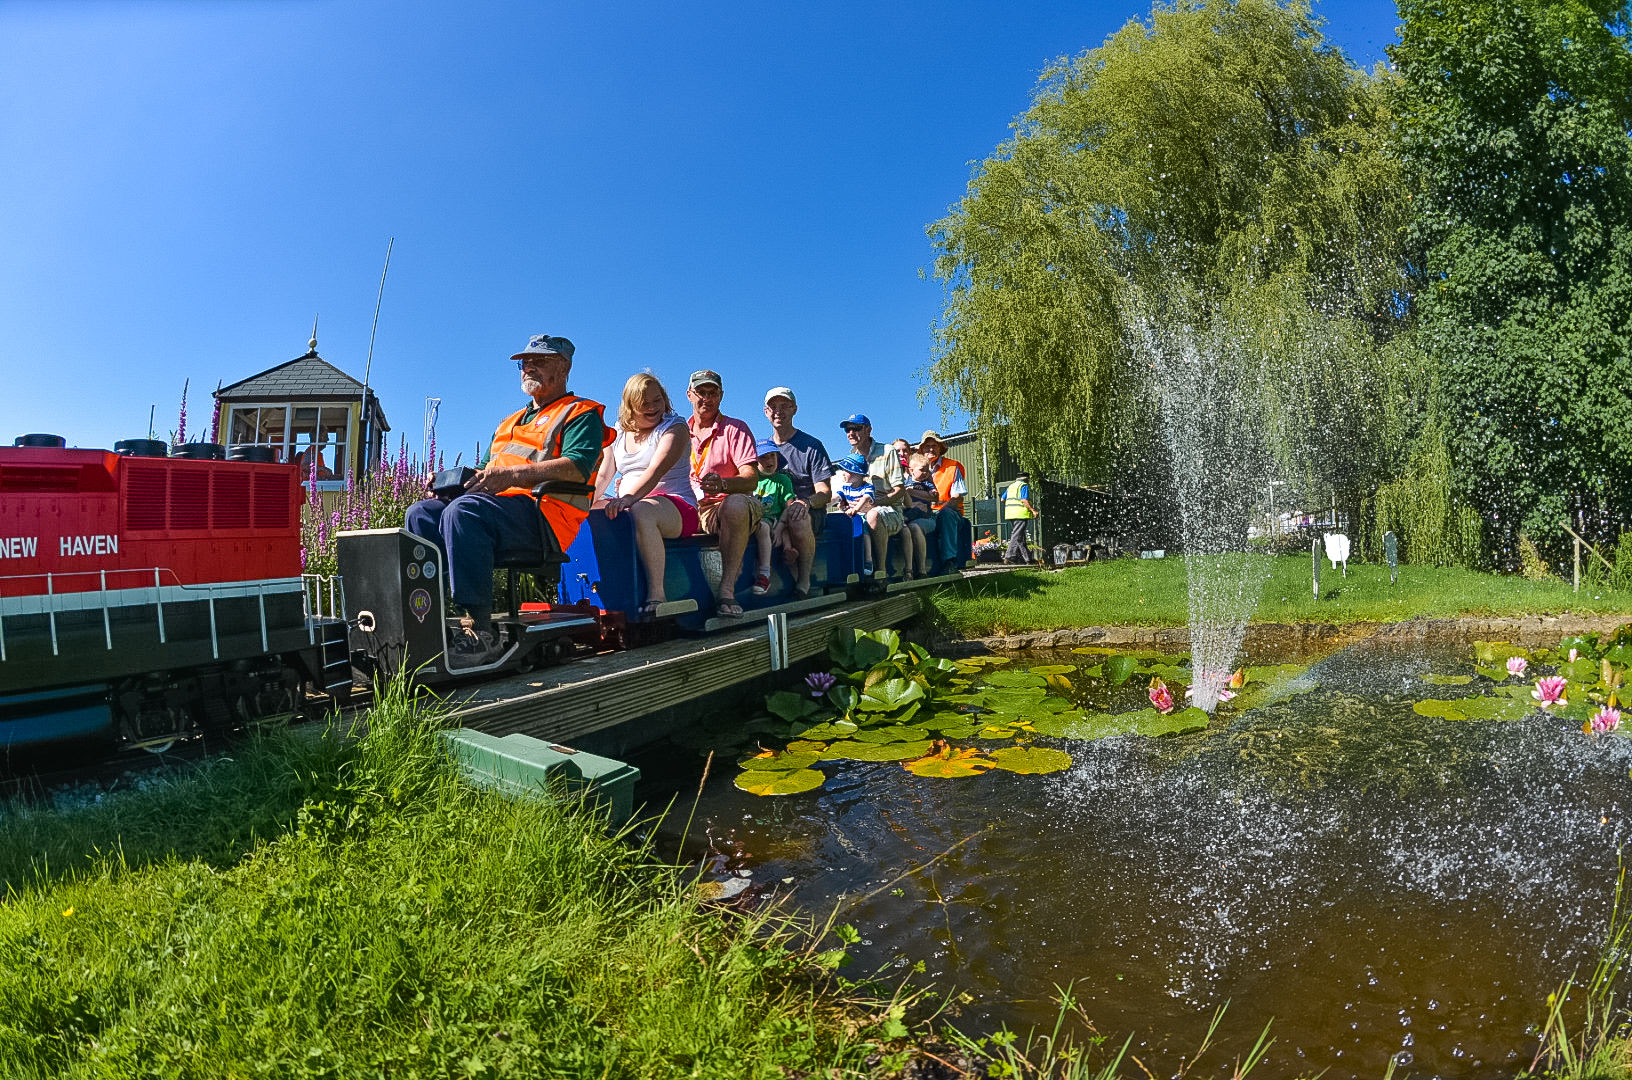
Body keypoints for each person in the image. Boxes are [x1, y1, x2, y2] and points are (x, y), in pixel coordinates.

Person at [405, 334, 613, 667]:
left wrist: (512, 476)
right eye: (524, 363)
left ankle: (479, 632)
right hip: (498, 510)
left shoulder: (580, 413)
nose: (528, 367)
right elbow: (486, 470)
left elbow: (578, 467)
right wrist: (448, 483)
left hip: (544, 517)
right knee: (421, 514)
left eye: (539, 361)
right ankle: (428, 621)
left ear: (564, 367)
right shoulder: (509, 422)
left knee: (463, 513)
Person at [591, 372, 697, 615]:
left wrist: (628, 499)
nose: (652, 407)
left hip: (677, 507)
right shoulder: (617, 434)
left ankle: (657, 594)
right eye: (644, 403)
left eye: (657, 400)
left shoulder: (675, 427)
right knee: (590, 512)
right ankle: (604, 591)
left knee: (642, 511)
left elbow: (655, 470)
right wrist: (584, 503)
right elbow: (604, 476)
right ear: (630, 406)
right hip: (630, 503)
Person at [686, 369, 762, 617]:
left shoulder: (735, 428)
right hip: (691, 507)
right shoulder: (678, 432)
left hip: (726, 505)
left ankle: (726, 591)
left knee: (735, 504)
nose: (707, 398)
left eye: (713, 392)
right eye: (701, 392)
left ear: (721, 396)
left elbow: (751, 478)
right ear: (689, 395)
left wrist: (723, 485)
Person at [763, 387, 833, 598]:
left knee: (796, 515)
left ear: (794, 409)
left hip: (808, 511)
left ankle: (804, 582)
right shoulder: (763, 450)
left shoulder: (812, 446)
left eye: (784, 406)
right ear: (766, 412)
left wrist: (805, 503)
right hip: (773, 510)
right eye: (773, 407)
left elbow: (825, 493)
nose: (778, 411)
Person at [831, 413, 905, 574]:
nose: (851, 433)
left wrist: (874, 504)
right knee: (834, 519)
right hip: (858, 510)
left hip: (889, 510)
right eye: (848, 430)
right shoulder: (852, 457)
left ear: (868, 430)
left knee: (872, 515)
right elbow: (844, 490)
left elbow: (900, 491)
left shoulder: (887, 451)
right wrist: (844, 503)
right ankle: (846, 572)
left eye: (856, 428)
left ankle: (880, 573)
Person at [832, 452, 898, 579]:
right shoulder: (845, 487)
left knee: (864, 529)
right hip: (850, 517)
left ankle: (868, 559)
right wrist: (826, 505)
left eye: (846, 470)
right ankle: (847, 560)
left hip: (862, 515)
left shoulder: (867, 487)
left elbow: (866, 498)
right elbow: (836, 497)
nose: (843, 473)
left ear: (857, 473)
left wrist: (855, 509)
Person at [918, 430, 969, 576]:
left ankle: (949, 562)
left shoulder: (952, 467)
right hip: (924, 512)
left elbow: (957, 497)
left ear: (940, 448)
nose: (931, 449)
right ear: (922, 450)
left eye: (934, 446)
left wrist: (939, 512)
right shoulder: (915, 469)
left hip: (948, 512)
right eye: (927, 446)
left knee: (945, 515)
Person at [750, 438, 795, 595]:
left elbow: (789, 506)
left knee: (764, 527)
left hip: (771, 519)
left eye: (772, 456)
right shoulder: (750, 479)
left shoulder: (782, 481)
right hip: (751, 518)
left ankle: (765, 574)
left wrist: (779, 527)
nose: (769, 460)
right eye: (763, 457)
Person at [901, 452, 938, 577]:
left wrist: (932, 492)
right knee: (908, 519)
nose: (925, 473)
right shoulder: (906, 483)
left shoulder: (926, 483)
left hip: (923, 514)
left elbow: (934, 494)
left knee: (914, 524)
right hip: (909, 510)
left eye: (927, 471)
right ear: (911, 470)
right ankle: (909, 568)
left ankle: (922, 569)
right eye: (922, 470)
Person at [1001, 471, 1036, 564]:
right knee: (1016, 535)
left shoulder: (1011, 486)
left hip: (1010, 514)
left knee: (1020, 537)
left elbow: (1002, 499)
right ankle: (1009, 557)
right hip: (1020, 514)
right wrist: (1033, 510)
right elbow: (1024, 500)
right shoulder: (1023, 486)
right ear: (1026, 479)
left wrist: (1011, 507)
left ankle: (1028, 559)